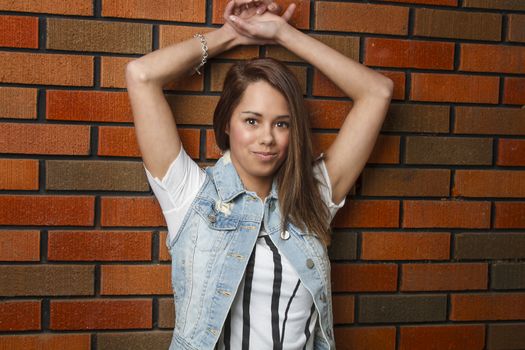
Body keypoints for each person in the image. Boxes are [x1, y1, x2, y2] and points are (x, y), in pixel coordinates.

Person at [125, 0, 393, 349]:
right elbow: (141, 76)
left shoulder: (312, 197)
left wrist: (282, 33)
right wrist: (231, 34)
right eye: (252, 121)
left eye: (281, 124)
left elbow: (377, 92)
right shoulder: (191, 196)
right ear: (226, 124)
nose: (267, 137)